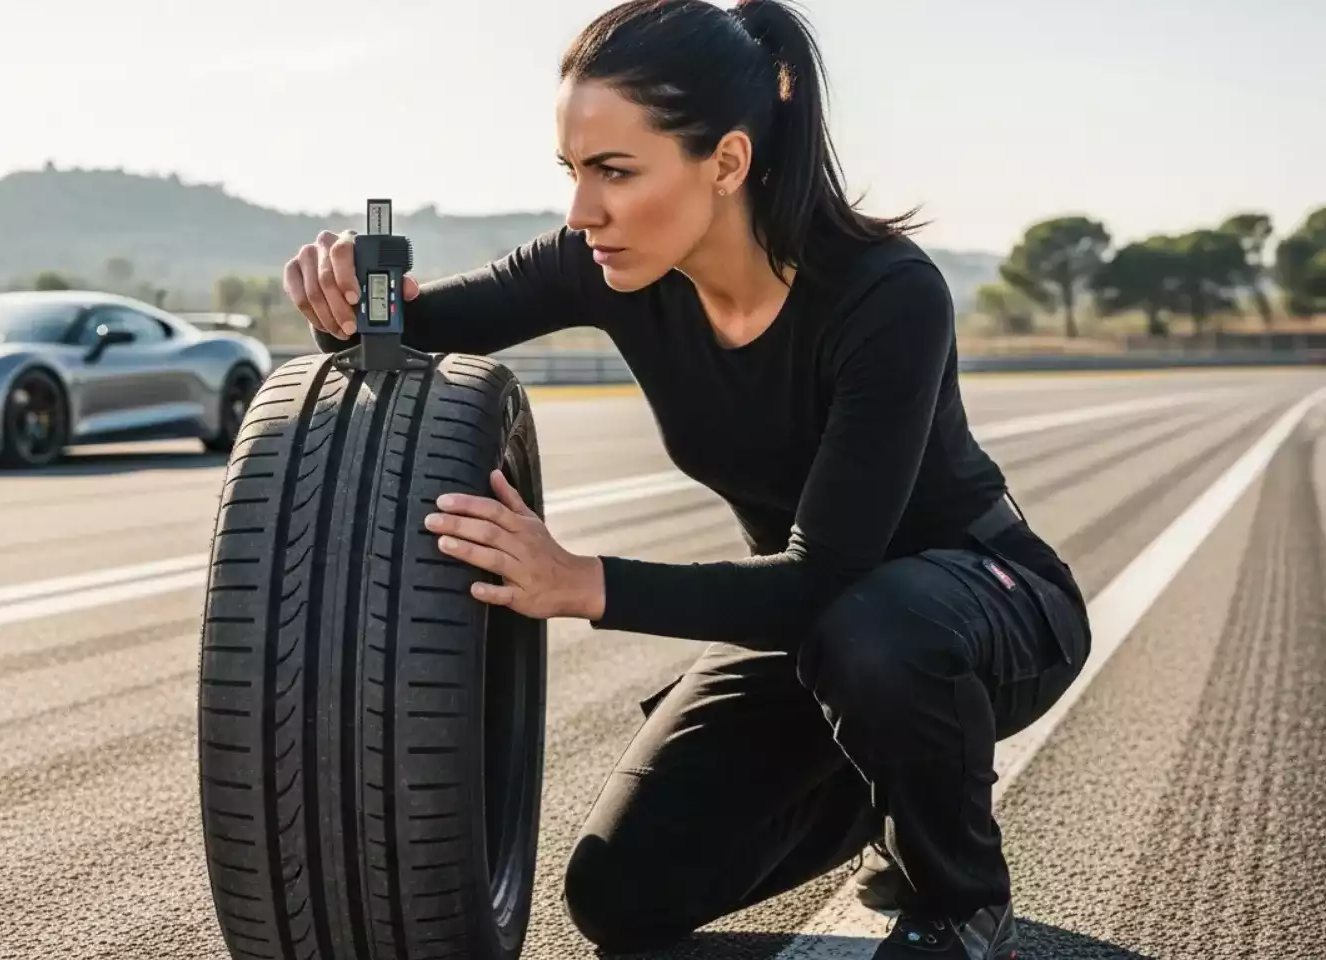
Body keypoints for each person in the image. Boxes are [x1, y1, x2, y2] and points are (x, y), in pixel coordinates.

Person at [283, 1, 1092, 957]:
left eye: (616, 172)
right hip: (806, 625)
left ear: (728, 163)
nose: (584, 210)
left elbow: (827, 578)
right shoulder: (606, 263)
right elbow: (410, 333)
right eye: (574, 172)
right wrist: (345, 296)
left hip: (981, 602)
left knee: (875, 632)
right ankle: (877, 787)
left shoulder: (888, 294)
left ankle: (960, 893)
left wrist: (581, 583)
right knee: (620, 897)